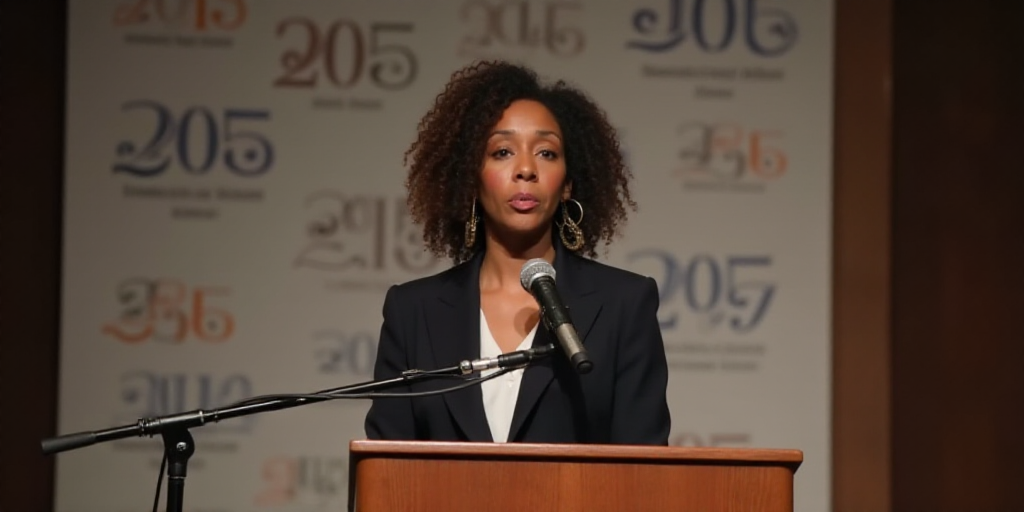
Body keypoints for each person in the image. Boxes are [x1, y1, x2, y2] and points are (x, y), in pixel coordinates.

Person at [363, 60, 670, 445]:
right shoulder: (413, 311)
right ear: (470, 178)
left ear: (568, 185)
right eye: (502, 151)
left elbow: (643, 469)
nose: (526, 169)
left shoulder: (624, 304)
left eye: (546, 153)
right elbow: (388, 474)